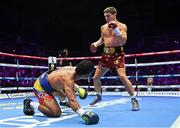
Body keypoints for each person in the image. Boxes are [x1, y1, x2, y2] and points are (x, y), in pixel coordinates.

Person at [90, 6, 140, 111]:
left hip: (118, 54)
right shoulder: (103, 27)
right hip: (106, 55)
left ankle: (134, 99)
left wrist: (116, 29)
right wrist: (95, 44)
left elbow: (124, 40)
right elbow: (102, 40)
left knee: (122, 76)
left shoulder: (122, 26)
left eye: (108, 16)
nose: (106, 18)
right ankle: (98, 96)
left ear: (114, 14)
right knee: (95, 77)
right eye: (105, 16)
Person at [23, 60, 99, 125]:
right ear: (87, 74)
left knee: (64, 93)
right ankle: (29, 102)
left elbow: (62, 79)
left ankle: (63, 102)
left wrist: (78, 89)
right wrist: (83, 113)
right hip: (40, 88)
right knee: (55, 112)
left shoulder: (72, 70)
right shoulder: (68, 79)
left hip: (50, 83)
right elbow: (72, 100)